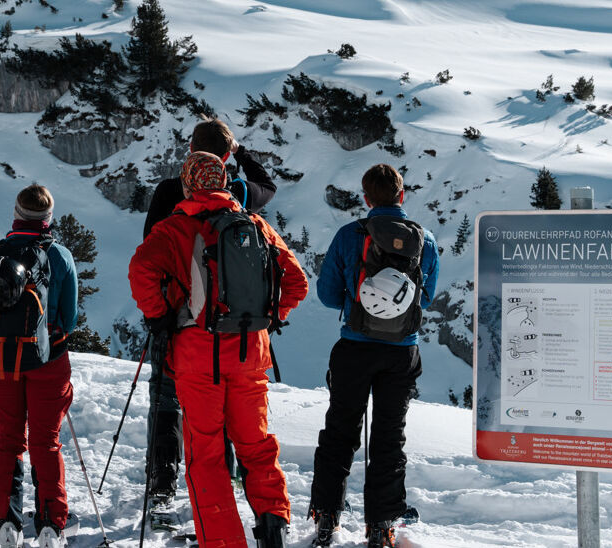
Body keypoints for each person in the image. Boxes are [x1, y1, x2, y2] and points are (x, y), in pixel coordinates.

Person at [128, 152, 307, 548]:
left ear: (189, 183)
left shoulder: (176, 226)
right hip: (249, 352)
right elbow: (296, 281)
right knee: (256, 446)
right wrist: (269, 316)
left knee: (206, 457)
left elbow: (140, 268)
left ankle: (224, 541)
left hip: (197, 358)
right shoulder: (254, 225)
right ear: (225, 180)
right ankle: (273, 525)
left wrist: (158, 316)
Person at [137, 118, 279, 513]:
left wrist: (157, 313)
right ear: (227, 154)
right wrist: (244, 155)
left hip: (177, 320)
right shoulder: (238, 194)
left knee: (165, 396)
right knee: (227, 404)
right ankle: (228, 481)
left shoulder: (169, 192)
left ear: (190, 150)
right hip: (233, 325)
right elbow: (268, 186)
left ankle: (162, 483)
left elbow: (148, 248)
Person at [310, 164, 438, 548]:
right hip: (401, 352)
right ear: (402, 195)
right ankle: (382, 523)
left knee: (340, 430)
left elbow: (329, 295)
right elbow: (425, 298)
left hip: (354, 346)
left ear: (366, 198)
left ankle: (327, 514)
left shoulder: (350, 235)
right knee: (389, 435)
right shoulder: (423, 240)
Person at [0, 184, 79, 548]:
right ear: (48, 219)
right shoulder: (60, 256)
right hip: (47, 361)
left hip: (0, 361)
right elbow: (70, 316)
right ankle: (52, 525)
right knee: (45, 442)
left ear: (16, 215)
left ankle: (6, 521)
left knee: (8, 440)